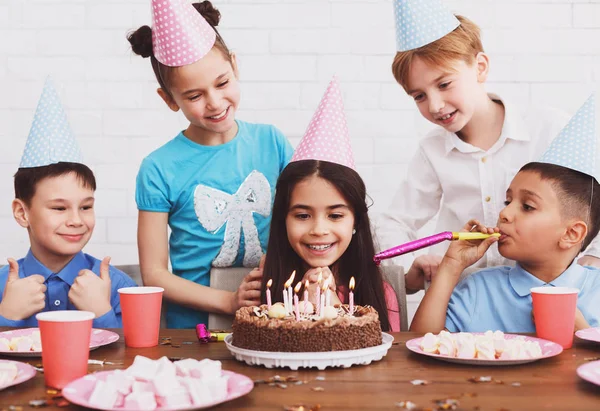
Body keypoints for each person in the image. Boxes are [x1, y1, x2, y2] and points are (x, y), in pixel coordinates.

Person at [376, 0, 596, 294]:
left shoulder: (548, 128)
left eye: (444, 84)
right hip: (464, 301)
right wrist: (410, 266)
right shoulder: (432, 151)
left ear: (480, 67)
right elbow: (394, 221)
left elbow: (595, 199)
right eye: (419, 96)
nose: (435, 105)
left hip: (544, 295)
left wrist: (590, 264)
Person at [129, 0, 293, 328]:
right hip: (194, 329)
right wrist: (227, 300)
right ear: (169, 99)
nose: (215, 103)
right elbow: (154, 273)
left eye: (222, 83)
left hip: (273, 315)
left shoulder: (272, 143)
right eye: (194, 96)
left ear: (235, 65)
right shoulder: (158, 168)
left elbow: (301, 217)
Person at [410, 95, 600, 333]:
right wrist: (451, 266)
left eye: (527, 206)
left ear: (572, 233)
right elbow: (420, 344)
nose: (505, 213)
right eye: (507, 201)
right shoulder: (479, 288)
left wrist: (582, 333)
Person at [261, 78, 400, 331]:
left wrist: (331, 303)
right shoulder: (265, 290)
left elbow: (383, 359)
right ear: (283, 219)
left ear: (356, 220)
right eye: (302, 215)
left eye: (335, 215)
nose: (319, 229)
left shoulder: (380, 293)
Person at [0, 78, 137, 327]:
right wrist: (6, 317)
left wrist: (102, 313)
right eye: (59, 208)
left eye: (85, 207)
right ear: (22, 213)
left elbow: (139, 363)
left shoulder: (120, 287)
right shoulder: (3, 288)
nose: (76, 220)